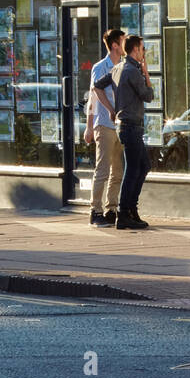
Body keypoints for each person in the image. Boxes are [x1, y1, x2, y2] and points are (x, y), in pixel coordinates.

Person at [94, 35, 153, 230]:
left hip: (124, 126)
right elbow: (148, 96)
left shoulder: (118, 68)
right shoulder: (131, 70)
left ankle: (130, 210)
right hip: (131, 125)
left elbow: (97, 86)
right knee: (133, 169)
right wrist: (146, 73)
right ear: (135, 50)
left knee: (142, 165)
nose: (144, 53)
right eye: (143, 49)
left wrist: (112, 109)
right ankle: (124, 213)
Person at [83, 28, 125, 227]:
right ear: (115, 45)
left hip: (121, 125)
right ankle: (95, 210)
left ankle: (112, 209)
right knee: (103, 169)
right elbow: (93, 96)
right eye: (123, 40)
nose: (125, 43)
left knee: (118, 170)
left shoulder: (124, 66)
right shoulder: (100, 67)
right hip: (105, 124)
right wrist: (89, 127)